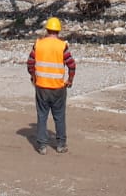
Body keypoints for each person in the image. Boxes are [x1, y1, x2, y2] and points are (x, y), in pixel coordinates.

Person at [26, 17, 76, 154]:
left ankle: (42, 146)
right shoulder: (62, 46)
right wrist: (70, 80)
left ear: (47, 30)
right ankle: (61, 144)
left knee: (42, 116)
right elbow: (71, 65)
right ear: (58, 31)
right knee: (59, 117)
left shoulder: (38, 44)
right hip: (58, 88)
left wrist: (34, 77)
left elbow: (30, 63)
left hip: (41, 87)